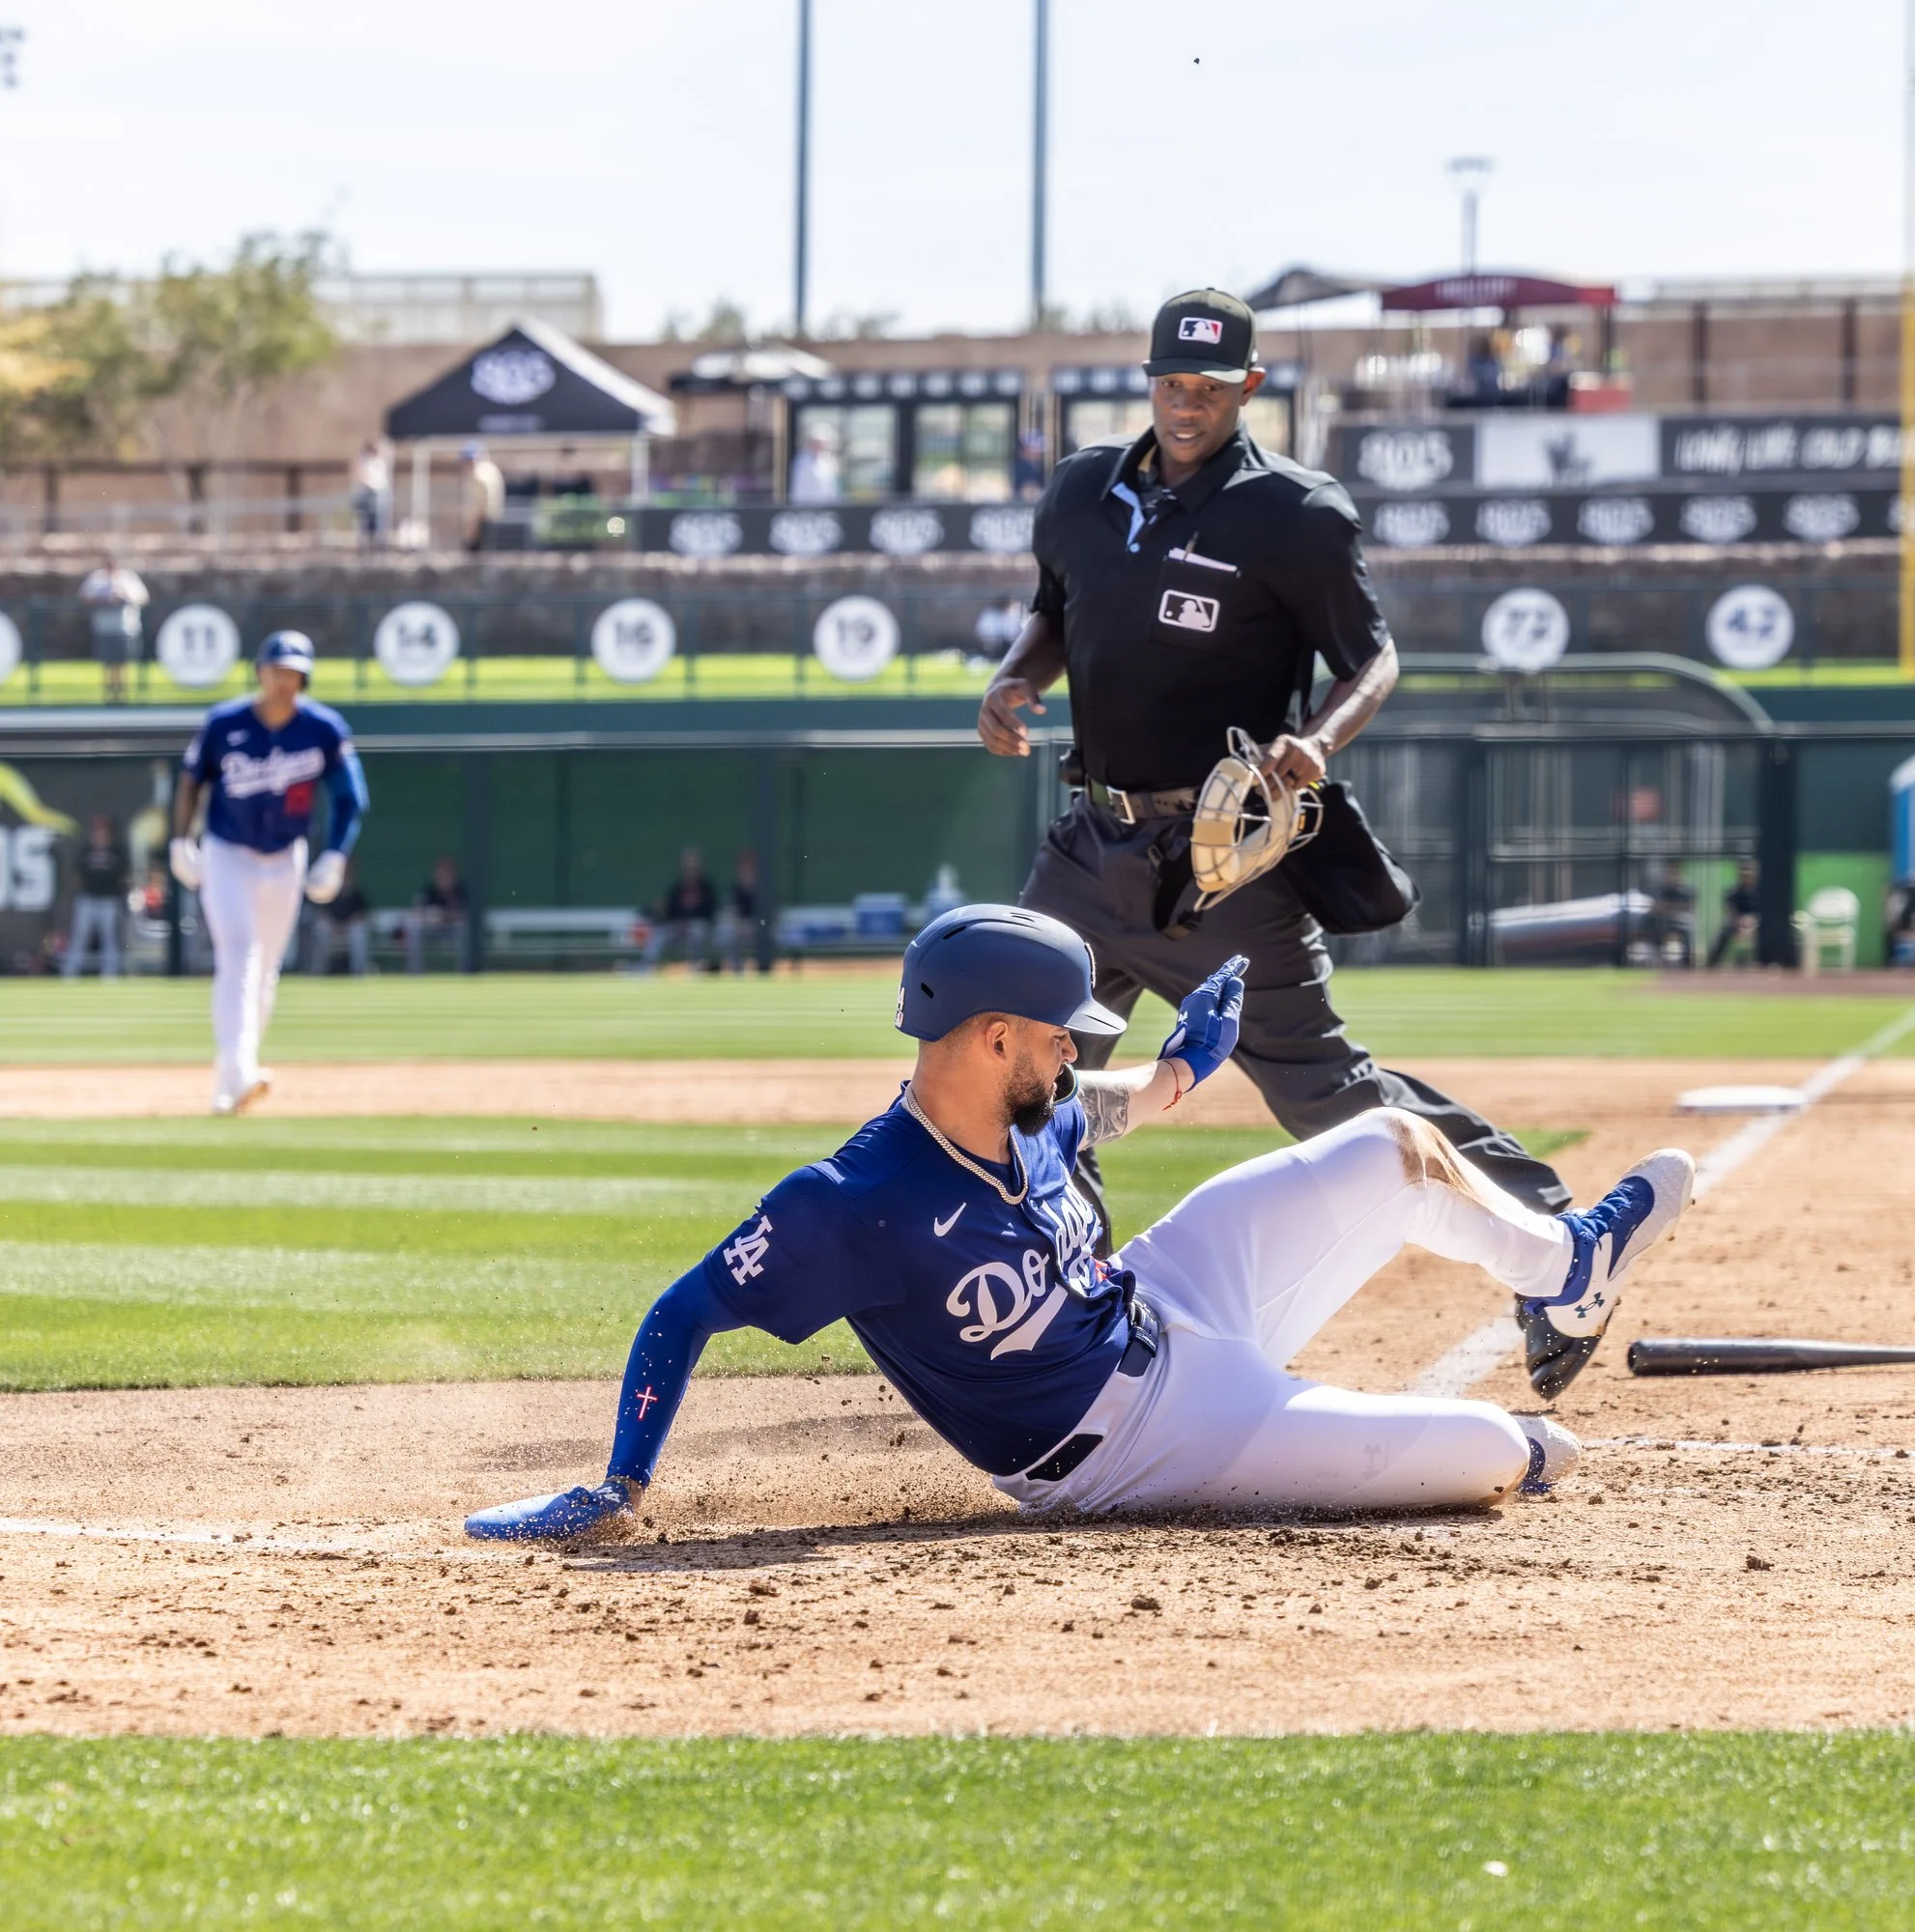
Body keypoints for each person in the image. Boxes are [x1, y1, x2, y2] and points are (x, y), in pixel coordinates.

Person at [462, 906, 1693, 1546]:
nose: (1074, 1047)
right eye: (1060, 1030)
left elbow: (1123, 1101)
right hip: (1138, 1446)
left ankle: (1565, 1268)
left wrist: (1188, 1065)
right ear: (992, 1035)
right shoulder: (849, 1204)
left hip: (1171, 1300)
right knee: (1517, 1451)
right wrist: (616, 1483)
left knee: (1390, 1145)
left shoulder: (1034, 1102)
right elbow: (682, 1309)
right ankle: (1345, 1420)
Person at [976, 287, 1581, 1398]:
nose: (1188, 404)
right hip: (1089, 842)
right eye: (1171, 384)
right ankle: (1076, 1321)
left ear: (1249, 387)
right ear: (1148, 381)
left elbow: (1375, 658)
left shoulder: (1295, 513)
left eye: (1210, 387)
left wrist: (1316, 739)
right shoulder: (1079, 492)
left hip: (1222, 862)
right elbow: (1055, 607)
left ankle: (1554, 1236)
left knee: (1329, 1102)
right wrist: (1018, 674)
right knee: (1017, 1074)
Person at [167, 632, 367, 1115]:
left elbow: (351, 798)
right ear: (260, 672)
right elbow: (191, 782)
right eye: (276, 669)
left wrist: (335, 855)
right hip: (228, 852)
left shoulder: (322, 728)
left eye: (293, 671)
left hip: (285, 857)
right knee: (239, 954)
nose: (283, 680)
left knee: (265, 971)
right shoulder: (225, 722)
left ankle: (229, 1077)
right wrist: (180, 840)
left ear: (304, 677)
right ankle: (240, 1071)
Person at [62, 812, 129, 980]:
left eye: (104, 829)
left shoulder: (117, 851)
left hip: (109, 900)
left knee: (110, 938)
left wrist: (121, 894)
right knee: (80, 937)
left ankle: (110, 974)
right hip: (87, 899)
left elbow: (125, 875)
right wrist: (80, 891)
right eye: (98, 829)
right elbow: (76, 874)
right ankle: (70, 973)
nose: (101, 832)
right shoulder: (86, 849)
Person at [76, 557, 149, 705]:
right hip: (105, 627)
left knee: (123, 662)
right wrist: (103, 599)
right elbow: (85, 597)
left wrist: (125, 597)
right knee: (107, 663)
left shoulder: (128, 578)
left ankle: (123, 692)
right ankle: (109, 693)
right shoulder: (97, 578)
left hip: (125, 627)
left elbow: (142, 598)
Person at [643, 849, 718, 969]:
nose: (691, 868)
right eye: (688, 864)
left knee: (698, 930)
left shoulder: (707, 888)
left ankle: (697, 967)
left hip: (699, 928)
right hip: (677, 928)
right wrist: (677, 923)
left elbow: (710, 913)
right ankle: (647, 967)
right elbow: (670, 911)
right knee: (659, 933)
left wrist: (689, 923)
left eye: (694, 864)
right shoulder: (677, 887)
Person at [407, 855, 470, 974]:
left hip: (453, 930)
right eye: (441, 873)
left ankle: (466, 972)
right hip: (431, 930)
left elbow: (466, 915)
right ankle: (415, 973)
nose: (444, 876)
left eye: (447, 872)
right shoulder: (429, 891)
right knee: (414, 929)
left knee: (465, 930)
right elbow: (417, 912)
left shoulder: (461, 891)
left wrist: (444, 916)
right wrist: (430, 917)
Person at [311, 876, 373, 977]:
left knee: (358, 933)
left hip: (349, 930)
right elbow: (323, 915)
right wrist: (334, 927)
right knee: (321, 930)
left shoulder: (356, 895)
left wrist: (345, 928)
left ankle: (359, 972)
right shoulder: (330, 896)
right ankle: (318, 972)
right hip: (332, 930)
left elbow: (361, 916)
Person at [1705, 857, 1759, 968]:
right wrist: (1741, 923)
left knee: (1771, 932)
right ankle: (1711, 964)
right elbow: (1730, 912)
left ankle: (1772, 961)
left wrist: (1753, 922)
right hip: (1737, 924)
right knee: (1725, 930)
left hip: (1758, 924)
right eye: (1743, 870)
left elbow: (1765, 911)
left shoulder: (1762, 891)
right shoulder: (1732, 891)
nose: (1746, 873)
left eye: (1750, 870)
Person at [718, 849, 766, 974]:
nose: (747, 868)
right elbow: (732, 910)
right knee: (727, 933)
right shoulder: (736, 887)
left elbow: (769, 914)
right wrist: (741, 925)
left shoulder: (764, 887)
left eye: (750, 865)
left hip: (760, 926)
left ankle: (764, 969)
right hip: (740, 927)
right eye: (744, 865)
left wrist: (756, 924)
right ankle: (737, 970)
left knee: (765, 933)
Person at [459, 444, 506, 552]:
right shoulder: (490, 469)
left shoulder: (479, 474)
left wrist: (471, 530)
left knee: (479, 557)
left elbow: (478, 508)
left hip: (481, 523)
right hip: (492, 520)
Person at [352, 440, 392, 547]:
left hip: (380, 494)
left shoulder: (380, 462)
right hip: (367, 494)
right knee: (365, 523)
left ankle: (379, 543)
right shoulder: (363, 461)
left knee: (380, 523)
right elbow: (359, 475)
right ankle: (364, 545)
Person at [788, 426, 841, 504]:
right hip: (807, 507)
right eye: (816, 443)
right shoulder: (801, 461)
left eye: (821, 444)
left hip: (825, 506)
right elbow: (799, 489)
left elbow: (831, 487)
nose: (818, 446)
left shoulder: (827, 461)